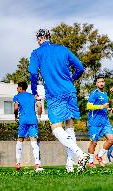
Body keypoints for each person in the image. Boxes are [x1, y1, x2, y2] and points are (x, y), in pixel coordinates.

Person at [28, 29, 89, 172]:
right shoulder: (63, 49)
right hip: (70, 91)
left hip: (55, 93)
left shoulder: (36, 53)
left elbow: (32, 73)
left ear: (39, 39)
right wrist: (71, 80)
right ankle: (70, 164)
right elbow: (80, 68)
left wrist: (35, 91)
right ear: (49, 37)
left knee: (56, 128)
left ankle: (80, 154)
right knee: (69, 126)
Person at [13, 82, 43, 172]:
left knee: (20, 140)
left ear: (20, 88)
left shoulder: (17, 97)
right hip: (33, 120)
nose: (17, 89)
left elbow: (15, 108)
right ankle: (37, 163)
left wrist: (15, 116)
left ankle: (18, 163)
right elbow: (40, 106)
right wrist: (39, 117)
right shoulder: (32, 96)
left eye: (17, 87)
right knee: (34, 142)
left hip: (23, 120)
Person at [87, 75, 113, 168]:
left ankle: (99, 156)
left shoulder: (105, 94)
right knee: (94, 142)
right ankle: (90, 162)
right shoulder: (94, 93)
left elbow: (104, 107)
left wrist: (109, 109)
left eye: (102, 81)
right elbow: (89, 106)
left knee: (111, 139)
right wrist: (102, 107)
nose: (101, 83)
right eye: (99, 82)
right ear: (96, 84)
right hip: (94, 122)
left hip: (105, 121)